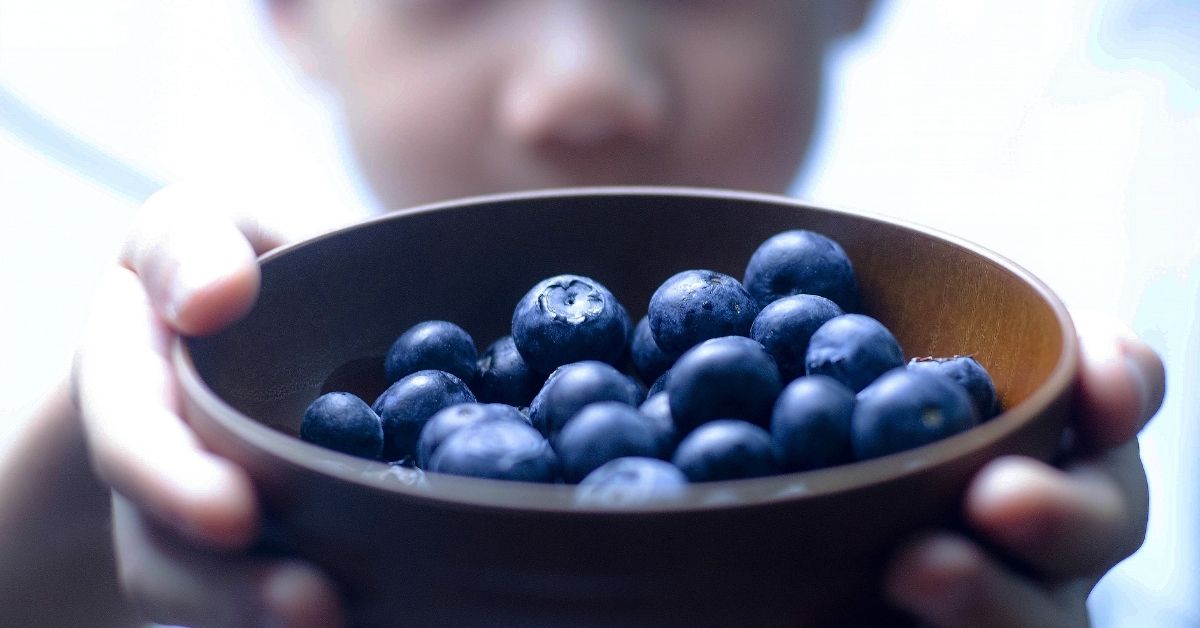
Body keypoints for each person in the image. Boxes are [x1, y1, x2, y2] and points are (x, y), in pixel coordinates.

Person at [0, 2, 1166, 627]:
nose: (585, 80)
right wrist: (59, 536)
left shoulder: (904, 396)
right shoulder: (297, 404)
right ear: (292, 14)